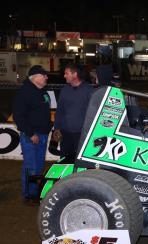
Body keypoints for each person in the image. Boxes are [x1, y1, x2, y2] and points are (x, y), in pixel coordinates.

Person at [13, 65, 51, 203]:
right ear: (35, 77)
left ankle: (35, 193)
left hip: (42, 134)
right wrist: (30, 133)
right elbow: (18, 116)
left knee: (39, 165)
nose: (46, 77)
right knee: (31, 166)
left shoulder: (42, 91)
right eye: (44, 75)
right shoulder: (25, 93)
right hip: (32, 135)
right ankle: (28, 195)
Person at [53, 63, 93, 161]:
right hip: (65, 133)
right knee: (64, 160)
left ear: (75, 74)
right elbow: (60, 110)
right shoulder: (65, 90)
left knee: (80, 161)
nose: (64, 76)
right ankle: (65, 177)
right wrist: (57, 128)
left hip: (82, 133)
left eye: (67, 73)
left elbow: (93, 112)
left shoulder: (89, 90)